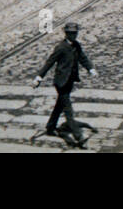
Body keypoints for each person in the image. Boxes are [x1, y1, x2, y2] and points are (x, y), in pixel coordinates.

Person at [34, 21, 96, 149]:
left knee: (59, 105)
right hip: (61, 83)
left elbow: (82, 58)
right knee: (68, 111)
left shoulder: (76, 45)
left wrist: (90, 68)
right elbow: (49, 62)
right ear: (66, 34)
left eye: (75, 33)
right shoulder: (61, 47)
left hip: (69, 82)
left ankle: (50, 127)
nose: (73, 36)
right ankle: (78, 136)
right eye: (70, 34)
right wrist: (39, 77)